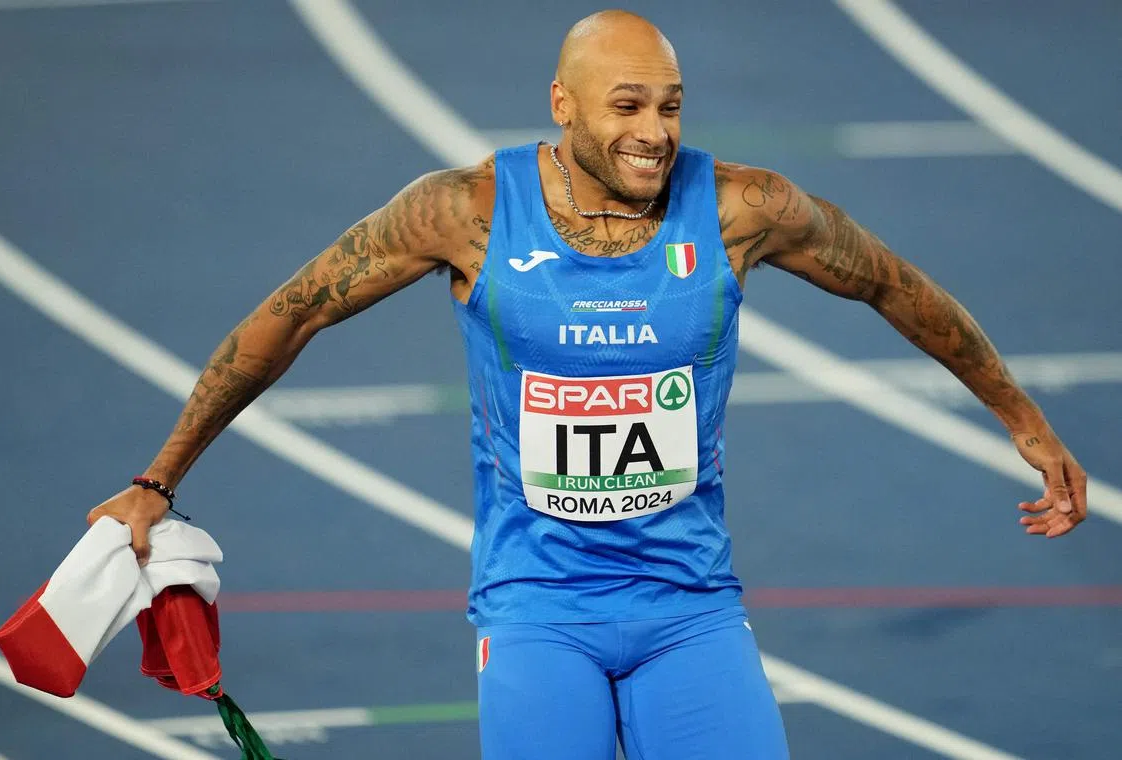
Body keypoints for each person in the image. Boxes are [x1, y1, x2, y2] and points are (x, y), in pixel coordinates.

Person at [87, 9, 1088, 759]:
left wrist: (1023, 420)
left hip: (690, 604)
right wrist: (159, 477)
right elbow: (296, 309)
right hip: (537, 609)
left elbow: (896, 286)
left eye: (670, 105)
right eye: (627, 107)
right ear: (561, 105)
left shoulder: (743, 208)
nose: (655, 130)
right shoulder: (465, 212)